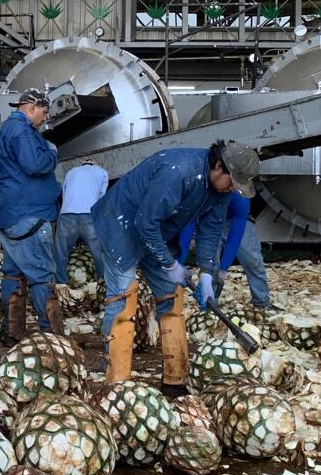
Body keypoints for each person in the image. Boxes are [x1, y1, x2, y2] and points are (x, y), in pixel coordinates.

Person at [88, 140, 261, 396]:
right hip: (122, 224)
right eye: (232, 183)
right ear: (218, 167)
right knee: (123, 298)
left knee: (172, 295)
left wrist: (205, 273)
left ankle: (174, 380)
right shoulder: (178, 171)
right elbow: (145, 222)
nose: (232, 190)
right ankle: (117, 382)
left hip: (159, 230)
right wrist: (169, 263)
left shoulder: (221, 191)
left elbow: (211, 229)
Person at [0, 87, 63, 339]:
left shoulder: (6, 131)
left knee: (13, 273)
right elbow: (34, 164)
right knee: (42, 275)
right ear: (32, 108)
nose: (45, 118)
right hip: (29, 215)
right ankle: (52, 336)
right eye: (44, 112)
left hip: (8, 214)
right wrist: (52, 154)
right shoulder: (22, 131)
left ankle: (12, 332)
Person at [177, 193, 280, 311]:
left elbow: (235, 237)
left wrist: (223, 271)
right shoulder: (199, 191)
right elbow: (189, 225)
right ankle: (209, 303)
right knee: (211, 265)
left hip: (235, 220)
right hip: (207, 220)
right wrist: (178, 263)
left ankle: (262, 302)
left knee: (253, 260)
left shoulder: (241, 197)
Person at [55, 161, 110, 283]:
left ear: (83, 164)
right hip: (89, 214)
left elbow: (64, 194)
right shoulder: (102, 172)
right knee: (98, 254)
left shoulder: (71, 172)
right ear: (94, 164)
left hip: (67, 214)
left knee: (61, 253)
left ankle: (60, 286)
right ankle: (103, 286)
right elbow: (102, 198)